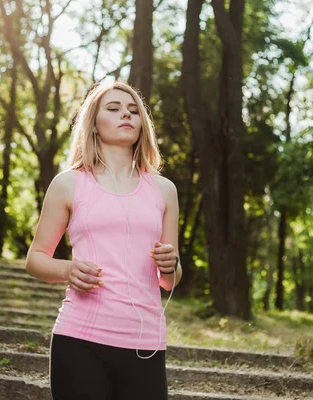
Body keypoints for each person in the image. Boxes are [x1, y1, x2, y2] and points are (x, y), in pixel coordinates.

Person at [25, 81, 182, 400]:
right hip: (80, 340)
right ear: (93, 123)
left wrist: (171, 265)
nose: (126, 113)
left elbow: (170, 279)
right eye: (113, 108)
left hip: (145, 344)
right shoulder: (68, 184)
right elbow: (36, 258)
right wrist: (67, 269)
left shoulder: (164, 190)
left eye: (134, 110)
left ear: (142, 125)